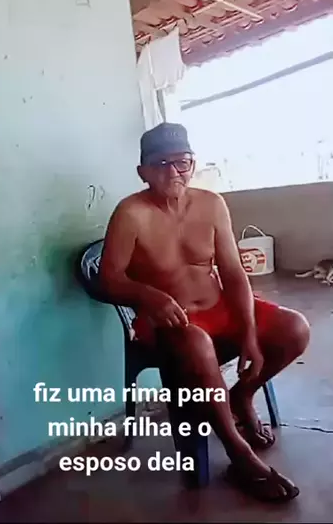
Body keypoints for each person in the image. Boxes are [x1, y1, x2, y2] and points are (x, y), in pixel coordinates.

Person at [99, 122, 310, 502]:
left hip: (218, 308)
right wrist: (148, 295)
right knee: (195, 343)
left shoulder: (211, 204)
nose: (173, 172)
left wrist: (248, 334)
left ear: (193, 164)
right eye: (161, 164)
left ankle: (241, 396)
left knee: (295, 328)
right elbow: (108, 279)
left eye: (182, 162)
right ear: (143, 172)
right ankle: (238, 452)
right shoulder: (131, 213)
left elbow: (233, 272)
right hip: (168, 321)